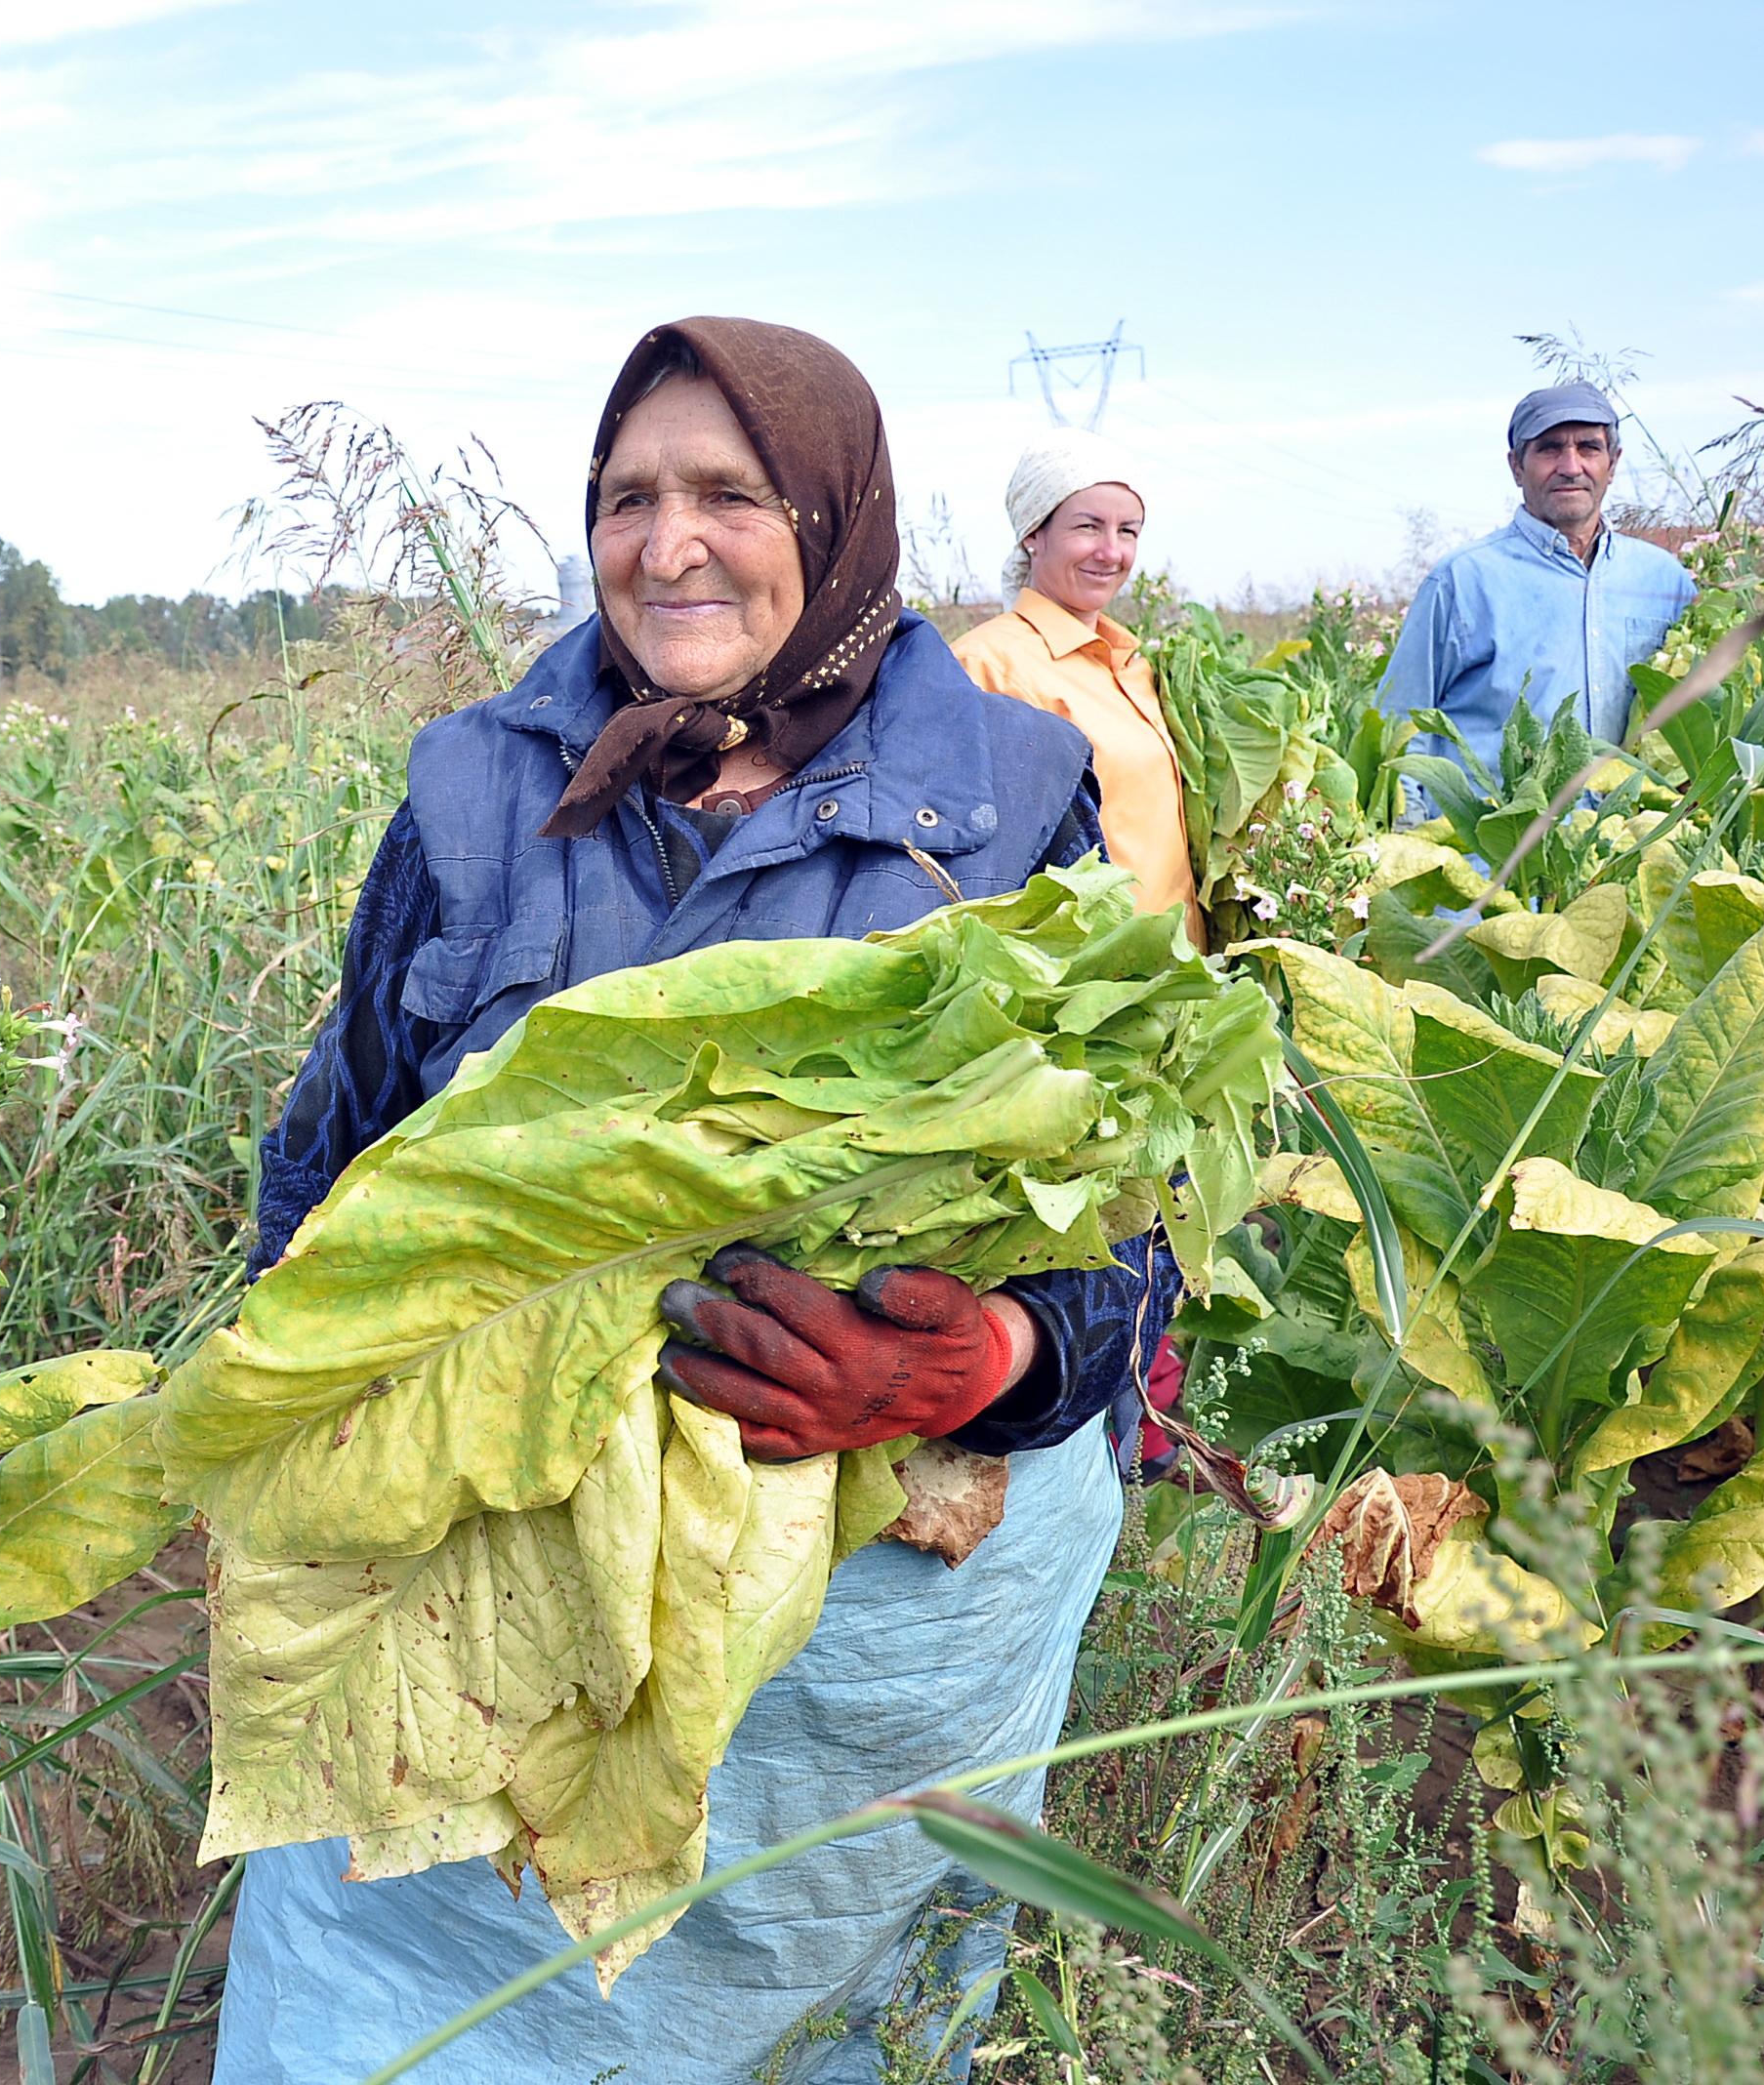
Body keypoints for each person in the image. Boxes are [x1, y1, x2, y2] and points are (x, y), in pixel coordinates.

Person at [215, 318, 1170, 2082]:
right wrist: (301, 1420)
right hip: (492, 1587)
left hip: (853, 1628)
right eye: (628, 496)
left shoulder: (1009, 806)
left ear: (836, 519)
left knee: (832, 2029)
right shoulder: (479, 787)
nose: (669, 544)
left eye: (730, 494)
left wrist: (966, 1369)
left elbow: (1125, 1247)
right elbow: (329, 1161)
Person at [952, 429, 1198, 947]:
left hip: (1181, 975)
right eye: (1088, 527)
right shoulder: (988, 664)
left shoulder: (1133, 665)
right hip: (1091, 983)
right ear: (1032, 534)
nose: (1111, 552)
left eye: (1128, 531)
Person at [1379, 381, 1697, 774]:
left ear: (1612, 463)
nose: (1570, 467)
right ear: (1516, 466)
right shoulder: (1461, 581)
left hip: (1626, 828)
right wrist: (1408, 828)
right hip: (1490, 830)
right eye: (1549, 449)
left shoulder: (1664, 581)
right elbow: (1400, 725)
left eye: (1588, 448)